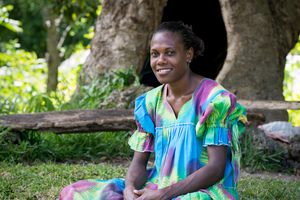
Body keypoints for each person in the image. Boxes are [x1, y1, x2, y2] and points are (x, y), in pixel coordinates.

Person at [59, 21, 247, 200]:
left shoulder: (213, 100)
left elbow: (216, 168)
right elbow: (139, 163)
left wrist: (164, 195)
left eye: (170, 53)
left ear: (188, 54)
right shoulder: (150, 103)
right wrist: (130, 190)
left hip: (202, 192)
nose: (160, 61)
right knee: (74, 193)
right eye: (155, 54)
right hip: (157, 187)